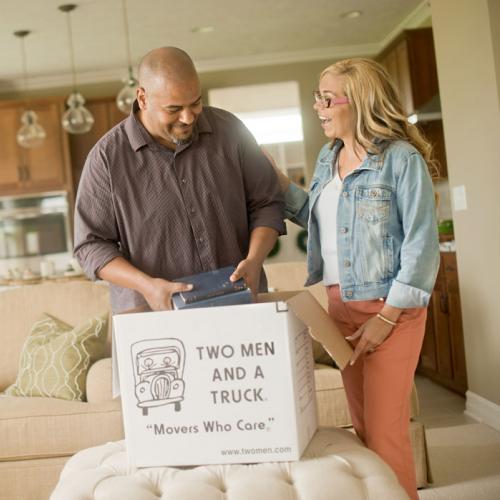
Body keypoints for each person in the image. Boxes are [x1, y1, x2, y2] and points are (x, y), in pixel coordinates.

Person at [266, 58, 439, 500]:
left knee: (385, 434)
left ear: (359, 101)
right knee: (363, 430)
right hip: (340, 307)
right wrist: (280, 183)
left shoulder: (401, 160)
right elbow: (322, 220)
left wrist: (386, 317)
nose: (318, 108)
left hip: (389, 311)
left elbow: (421, 245)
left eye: (328, 99)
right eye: (315, 99)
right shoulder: (330, 157)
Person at [73, 47, 285, 313]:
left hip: (239, 304)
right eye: (173, 108)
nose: (188, 117)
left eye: (195, 102)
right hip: (153, 317)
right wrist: (147, 285)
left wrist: (254, 260)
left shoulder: (230, 131)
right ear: (142, 98)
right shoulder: (106, 159)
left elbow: (267, 203)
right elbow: (90, 245)